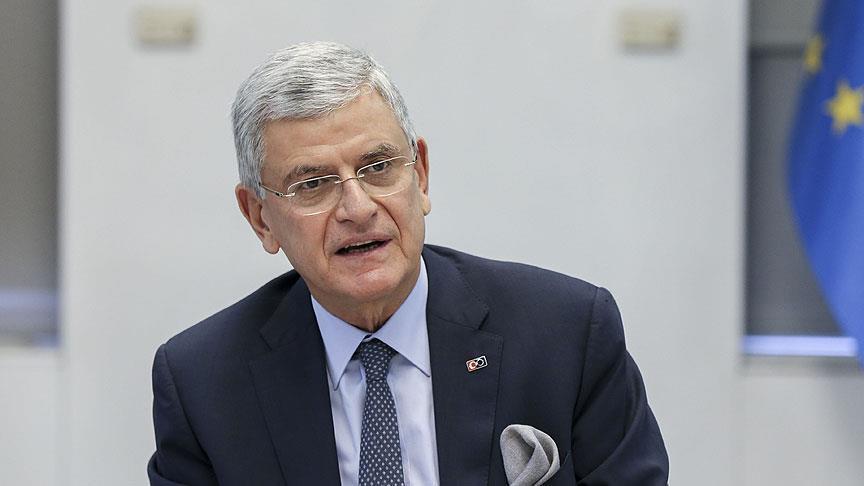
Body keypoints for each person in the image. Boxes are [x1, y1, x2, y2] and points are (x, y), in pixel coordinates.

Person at [147, 41, 668, 486]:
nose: (357, 208)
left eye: (378, 167)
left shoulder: (567, 334)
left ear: (420, 176)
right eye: (313, 184)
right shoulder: (202, 384)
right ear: (260, 217)